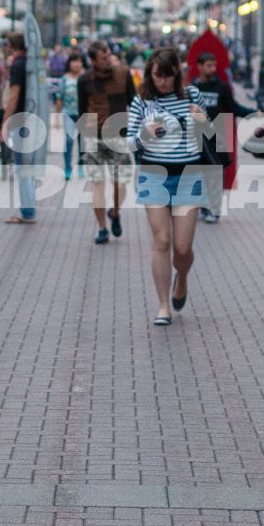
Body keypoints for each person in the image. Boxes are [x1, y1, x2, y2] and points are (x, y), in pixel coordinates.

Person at [127, 47, 215, 326]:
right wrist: (144, 134)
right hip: (153, 174)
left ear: (176, 73)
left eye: (167, 75)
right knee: (161, 241)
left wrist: (203, 120)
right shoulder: (141, 101)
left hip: (188, 174)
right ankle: (163, 305)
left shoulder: (192, 95)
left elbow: (211, 135)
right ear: (150, 74)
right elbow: (128, 142)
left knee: (182, 248)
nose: (162, 81)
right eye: (157, 75)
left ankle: (183, 278)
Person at [77, 40, 137, 245]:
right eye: (103, 57)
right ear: (93, 60)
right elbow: (81, 110)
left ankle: (116, 212)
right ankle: (102, 228)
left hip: (119, 134)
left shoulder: (123, 73)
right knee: (97, 184)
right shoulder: (85, 80)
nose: (108, 59)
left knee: (121, 183)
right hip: (94, 135)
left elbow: (134, 103)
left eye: (109, 54)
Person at [192, 49, 238, 224]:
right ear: (200, 66)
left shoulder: (222, 87)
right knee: (200, 173)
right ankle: (204, 207)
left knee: (217, 173)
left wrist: (255, 112)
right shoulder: (193, 88)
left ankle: (215, 210)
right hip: (198, 136)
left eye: (214, 65)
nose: (213, 69)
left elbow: (233, 108)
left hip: (217, 135)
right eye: (209, 65)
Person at [0, 32, 38, 225]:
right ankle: (29, 207)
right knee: (28, 165)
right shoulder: (32, 64)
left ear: (11, 45)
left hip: (19, 119)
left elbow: (14, 95)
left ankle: (27, 211)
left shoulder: (17, 64)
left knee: (22, 166)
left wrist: (5, 123)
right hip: (33, 117)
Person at [58, 53, 84, 180]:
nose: (76, 64)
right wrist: (56, 117)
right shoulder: (64, 79)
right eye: (74, 61)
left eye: (79, 61)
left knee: (83, 142)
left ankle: (81, 164)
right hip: (68, 113)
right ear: (69, 63)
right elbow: (59, 98)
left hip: (84, 114)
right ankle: (67, 167)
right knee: (69, 141)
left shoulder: (86, 77)